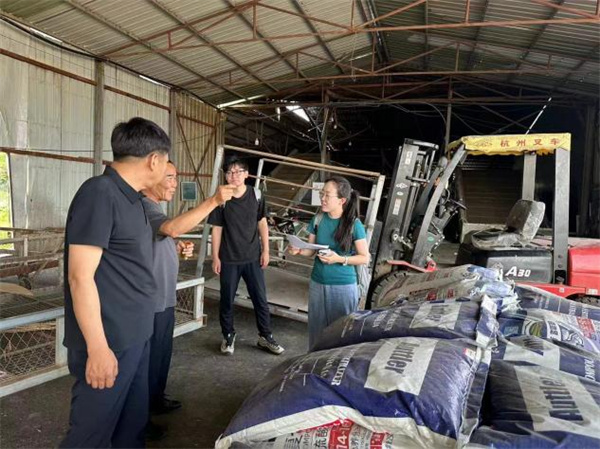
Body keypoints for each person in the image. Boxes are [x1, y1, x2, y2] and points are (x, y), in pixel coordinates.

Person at [60, 117, 170, 448]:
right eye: (166, 162)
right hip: (110, 341)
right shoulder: (100, 194)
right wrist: (97, 348)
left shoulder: (134, 200)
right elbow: (80, 277)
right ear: (154, 160)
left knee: (130, 429)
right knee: (89, 436)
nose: (167, 170)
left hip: (136, 335)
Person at [141, 162, 235, 424]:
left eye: (176, 178)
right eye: (170, 178)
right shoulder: (143, 205)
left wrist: (176, 246)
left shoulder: (156, 208)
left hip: (164, 296)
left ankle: (156, 399)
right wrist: (213, 201)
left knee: (161, 355)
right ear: (151, 177)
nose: (175, 184)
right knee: (148, 361)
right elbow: (171, 228)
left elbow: (163, 236)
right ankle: (140, 418)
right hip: (150, 299)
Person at [208, 157, 284, 356]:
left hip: (252, 257)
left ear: (246, 174)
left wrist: (266, 250)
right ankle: (228, 335)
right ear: (226, 176)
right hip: (228, 258)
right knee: (226, 300)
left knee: (260, 299)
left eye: (238, 171)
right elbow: (217, 229)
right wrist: (215, 257)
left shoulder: (256, 195)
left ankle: (265, 336)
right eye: (230, 172)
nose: (234, 176)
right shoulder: (221, 198)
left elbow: (262, 223)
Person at [288, 176, 370, 350]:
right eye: (322, 193)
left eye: (327, 195)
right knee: (316, 331)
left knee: (341, 333)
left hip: (343, 286)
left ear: (342, 200)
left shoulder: (354, 225)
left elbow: (364, 257)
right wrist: (299, 250)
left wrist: (338, 259)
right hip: (317, 282)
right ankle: (314, 362)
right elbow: (311, 250)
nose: (323, 198)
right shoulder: (318, 219)